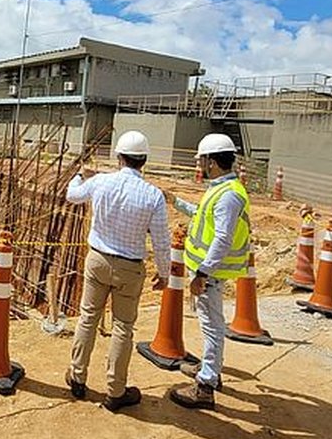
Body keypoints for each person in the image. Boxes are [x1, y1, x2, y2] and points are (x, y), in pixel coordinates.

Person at [64, 130, 171, 412]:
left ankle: (77, 378)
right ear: (144, 160)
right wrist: (164, 273)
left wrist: (81, 174)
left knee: (88, 318)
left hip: (98, 260)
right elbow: (161, 240)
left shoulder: (101, 182)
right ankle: (115, 391)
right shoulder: (153, 196)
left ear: (119, 157)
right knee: (123, 328)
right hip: (130, 268)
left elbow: (72, 195)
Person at [165, 133, 251, 411]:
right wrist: (175, 201)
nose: (199, 165)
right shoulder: (222, 188)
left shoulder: (228, 196)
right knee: (211, 324)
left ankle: (205, 386)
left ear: (212, 162)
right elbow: (202, 215)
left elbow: (223, 238)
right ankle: (210, 369)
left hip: (210, 274)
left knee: (212, 327)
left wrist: (202, 273)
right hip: (208, 272)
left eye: (202, 160)